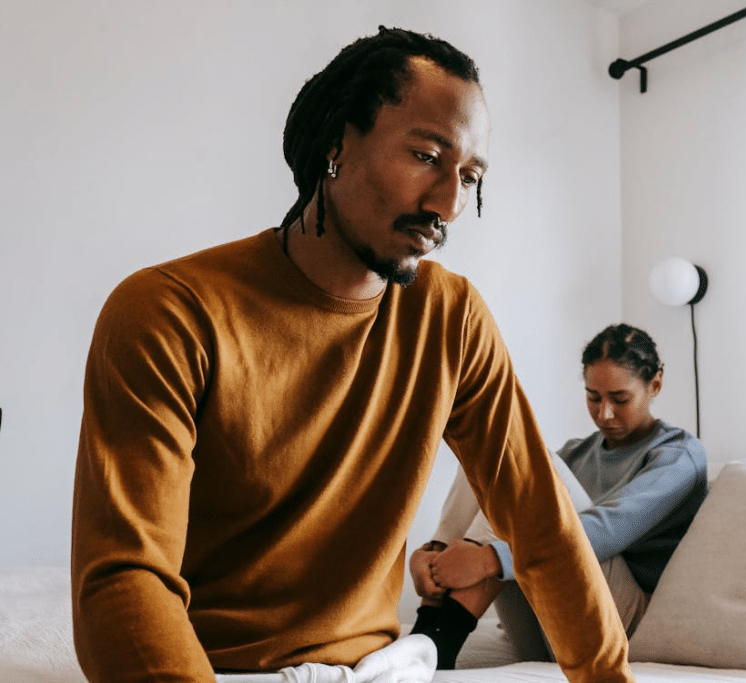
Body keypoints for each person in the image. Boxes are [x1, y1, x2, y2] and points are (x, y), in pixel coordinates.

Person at [71, 27, 633, 683]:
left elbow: (542, 526)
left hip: (376, 669)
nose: (449, 203)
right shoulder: (168, 311)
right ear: (336, 144)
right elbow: (123, 578)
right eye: (426, 155)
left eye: (469, 177)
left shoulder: (451, 316)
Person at [409, 324, 708, 667]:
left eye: (620, 399)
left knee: (524, 461)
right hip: (550, 630)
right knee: (491, 459)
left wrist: (490, 559)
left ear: (655, 384)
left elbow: (608, 529)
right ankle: (429, 627)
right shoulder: (579, 453)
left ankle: (439, 641)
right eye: (594, 397)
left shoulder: (678, 455)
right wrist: (434, 555)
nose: (604, 413)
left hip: (619, 625)